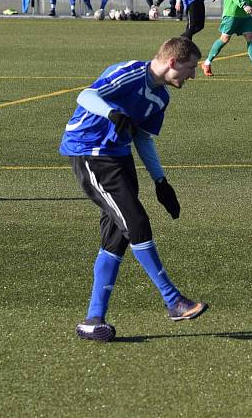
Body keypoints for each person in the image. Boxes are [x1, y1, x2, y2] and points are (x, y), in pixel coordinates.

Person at [59, 36, 208, 342]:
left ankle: (93, 319)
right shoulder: (128, 72)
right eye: (190, 68)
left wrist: (161, 181)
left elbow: (142, 138)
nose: (192, 75)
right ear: (172, 62)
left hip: (120, 157)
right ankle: (173, 300)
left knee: (116, 237)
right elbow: (86, 96)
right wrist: (112, 113)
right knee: (136, 223)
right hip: (89, 152)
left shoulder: (161, 98)